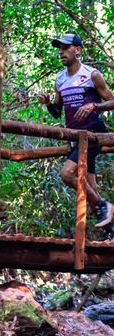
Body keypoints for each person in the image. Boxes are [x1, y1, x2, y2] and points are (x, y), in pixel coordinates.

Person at [40, 32, 114, 230]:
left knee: (67, 174)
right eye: (60, 49)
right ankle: (110, 233)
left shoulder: (92, 74)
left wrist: (94, 107)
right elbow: (57, 112)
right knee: (91, 190)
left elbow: (112, 100)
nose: (61, 52)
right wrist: (48, 104)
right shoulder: (60, 79)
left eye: (66, 48)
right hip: (75, 138)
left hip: (92, 134)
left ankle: (104, 205)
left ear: (78, 50)